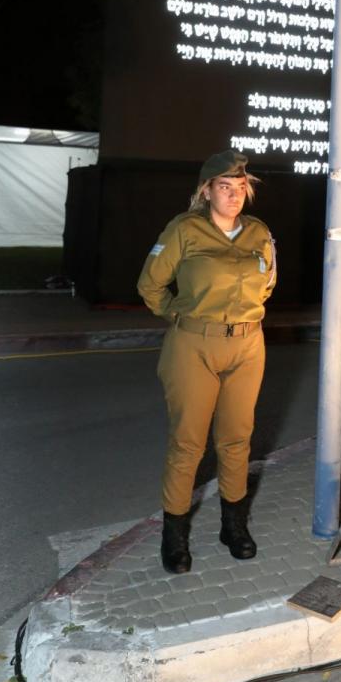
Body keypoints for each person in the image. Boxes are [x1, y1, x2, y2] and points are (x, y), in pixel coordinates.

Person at [137, 150, 276, 574]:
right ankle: (174, 537)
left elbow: (268, 283)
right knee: (188, 445)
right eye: (224, 187)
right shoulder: (185, 229)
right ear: (206, 191)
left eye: (240, 188)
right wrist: (181, 316)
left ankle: (233, 527)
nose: (233, 195)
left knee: (237, 441)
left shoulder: (259, 233)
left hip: (248, 346)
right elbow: (150, 286)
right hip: (194, 347)